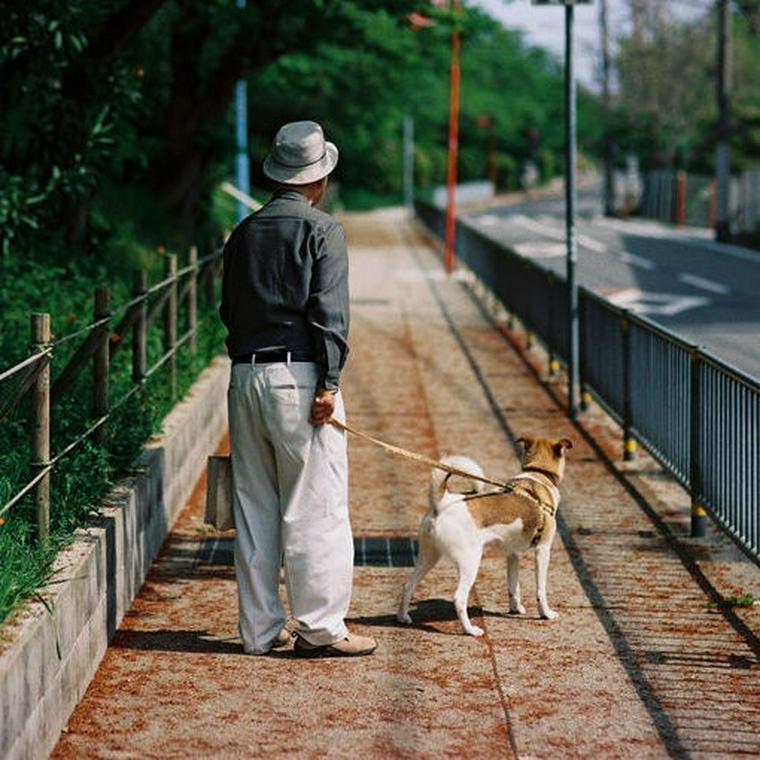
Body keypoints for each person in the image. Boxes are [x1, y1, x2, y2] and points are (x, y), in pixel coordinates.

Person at [220, 120, 376, 658]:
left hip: (244, 378)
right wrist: (329, 382)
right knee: (316, 506)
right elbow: (329, 315)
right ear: (319, 178)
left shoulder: (243, 232)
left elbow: (227, 310)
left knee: (254, 506)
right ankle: (320, 629)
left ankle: (260, 633)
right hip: (301, 375)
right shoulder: (322, 230)